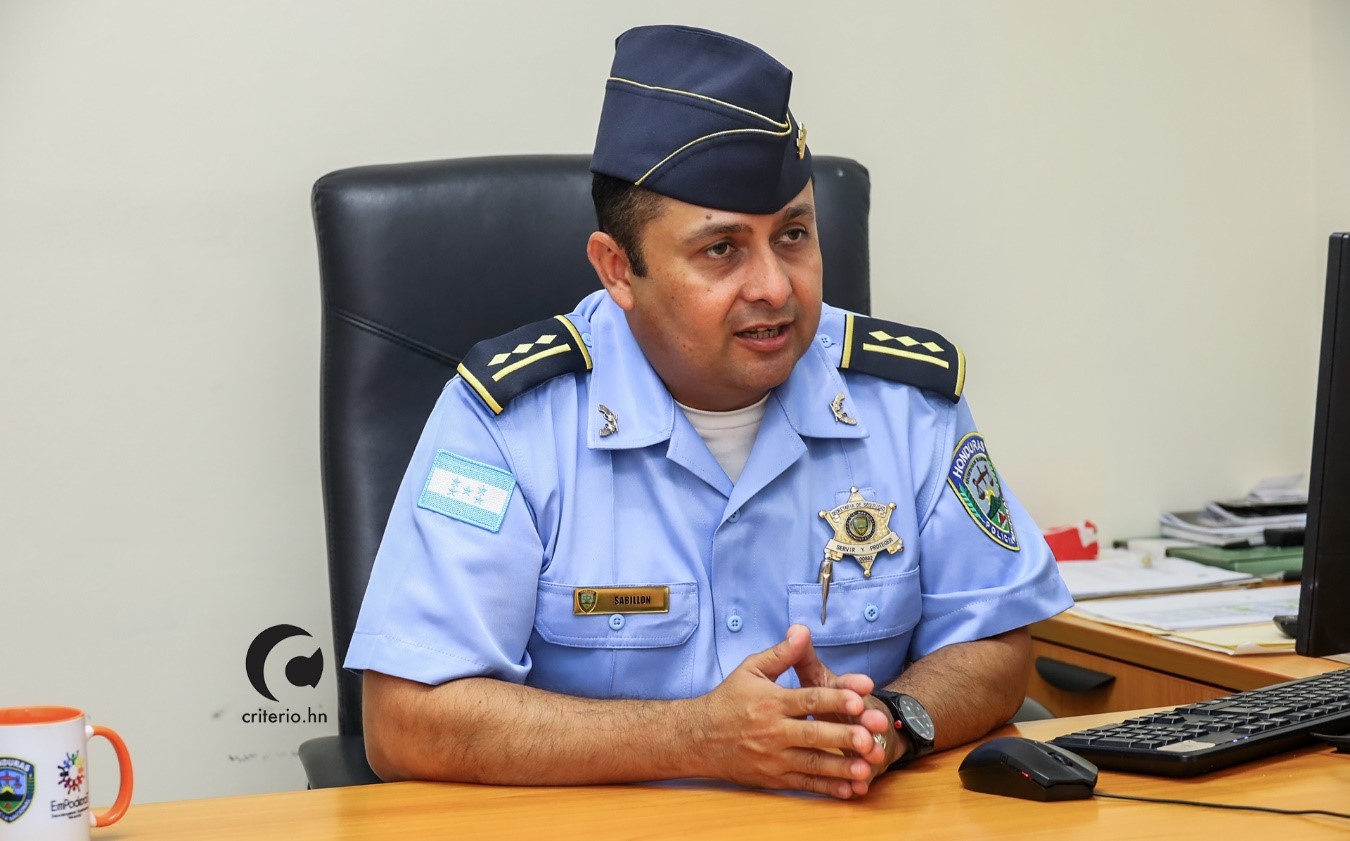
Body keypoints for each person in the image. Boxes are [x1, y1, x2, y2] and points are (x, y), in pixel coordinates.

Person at [343, 24, 1073, 801]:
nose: (775, 287)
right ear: (618, 268)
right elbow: (406, 719)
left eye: (793, 235)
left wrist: (889, 721)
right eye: (722, 249)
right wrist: (697, 737)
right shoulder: (507, 421)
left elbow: (995, 642)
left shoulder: (907, 403)